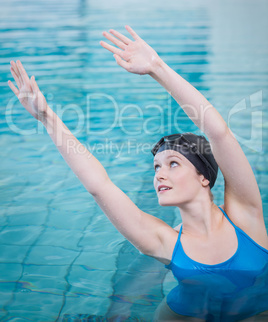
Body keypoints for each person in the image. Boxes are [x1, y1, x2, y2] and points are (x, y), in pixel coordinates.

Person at [8, 26, 268, 321]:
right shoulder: (164, 241)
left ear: (203, 177)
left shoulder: (246, 216)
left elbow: (218, 132)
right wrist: (46, 117)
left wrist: (157, 68)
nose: (159, 175)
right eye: (156, 167)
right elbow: (99, 186)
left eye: (172, 164)